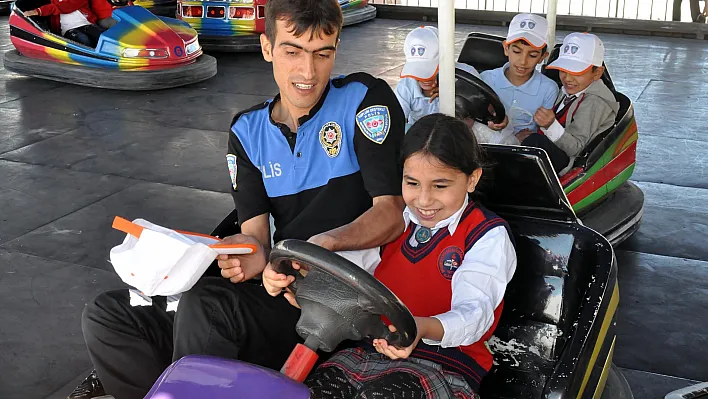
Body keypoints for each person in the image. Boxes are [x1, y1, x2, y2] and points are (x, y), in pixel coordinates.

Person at [75, 0, 406, 398]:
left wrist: (322, 245)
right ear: (266, 47)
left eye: (323, 53)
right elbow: (255, 239)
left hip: (331, 303)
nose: (308, 72)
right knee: (110, 314)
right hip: (274, 286)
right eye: (292, 51)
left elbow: (390, 214)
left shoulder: (363, 100)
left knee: (207, 307)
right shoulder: (248, 131)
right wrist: (237, 254)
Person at [264, 113, 517, 398]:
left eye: (440, 186)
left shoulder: (486, 235)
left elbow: (475, 314)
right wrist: (293, 278)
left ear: (472, 180)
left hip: (446, 364)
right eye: (412, 183)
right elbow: (346, 272)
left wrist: (420, 328)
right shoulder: (392, 224)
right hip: (367, 353)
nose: (423, 200)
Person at [525, 33, 619, 173]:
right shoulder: (569, 90)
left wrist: (549, 126)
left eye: (577, 72)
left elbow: (575, 147)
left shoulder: (594, 102)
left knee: (535, 143)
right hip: (556, 147)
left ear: (597, 72)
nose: (567, 78)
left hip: (570, 160)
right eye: (563, 70)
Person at [480, 13, 558, 135]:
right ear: (506, 48)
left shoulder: (549, 89)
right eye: (516, 51)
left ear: (542, 57)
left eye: (532, 55)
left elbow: (544, 131)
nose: (523, 61)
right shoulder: (486, 79)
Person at [395, 25, 481, 128]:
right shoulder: (406, 86)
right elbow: (396, 122)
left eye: (429, 69)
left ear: (446, 59)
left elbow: (487, 111)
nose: (424, 77)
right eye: (418, 70)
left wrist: (454, 95)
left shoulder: (468, 74)